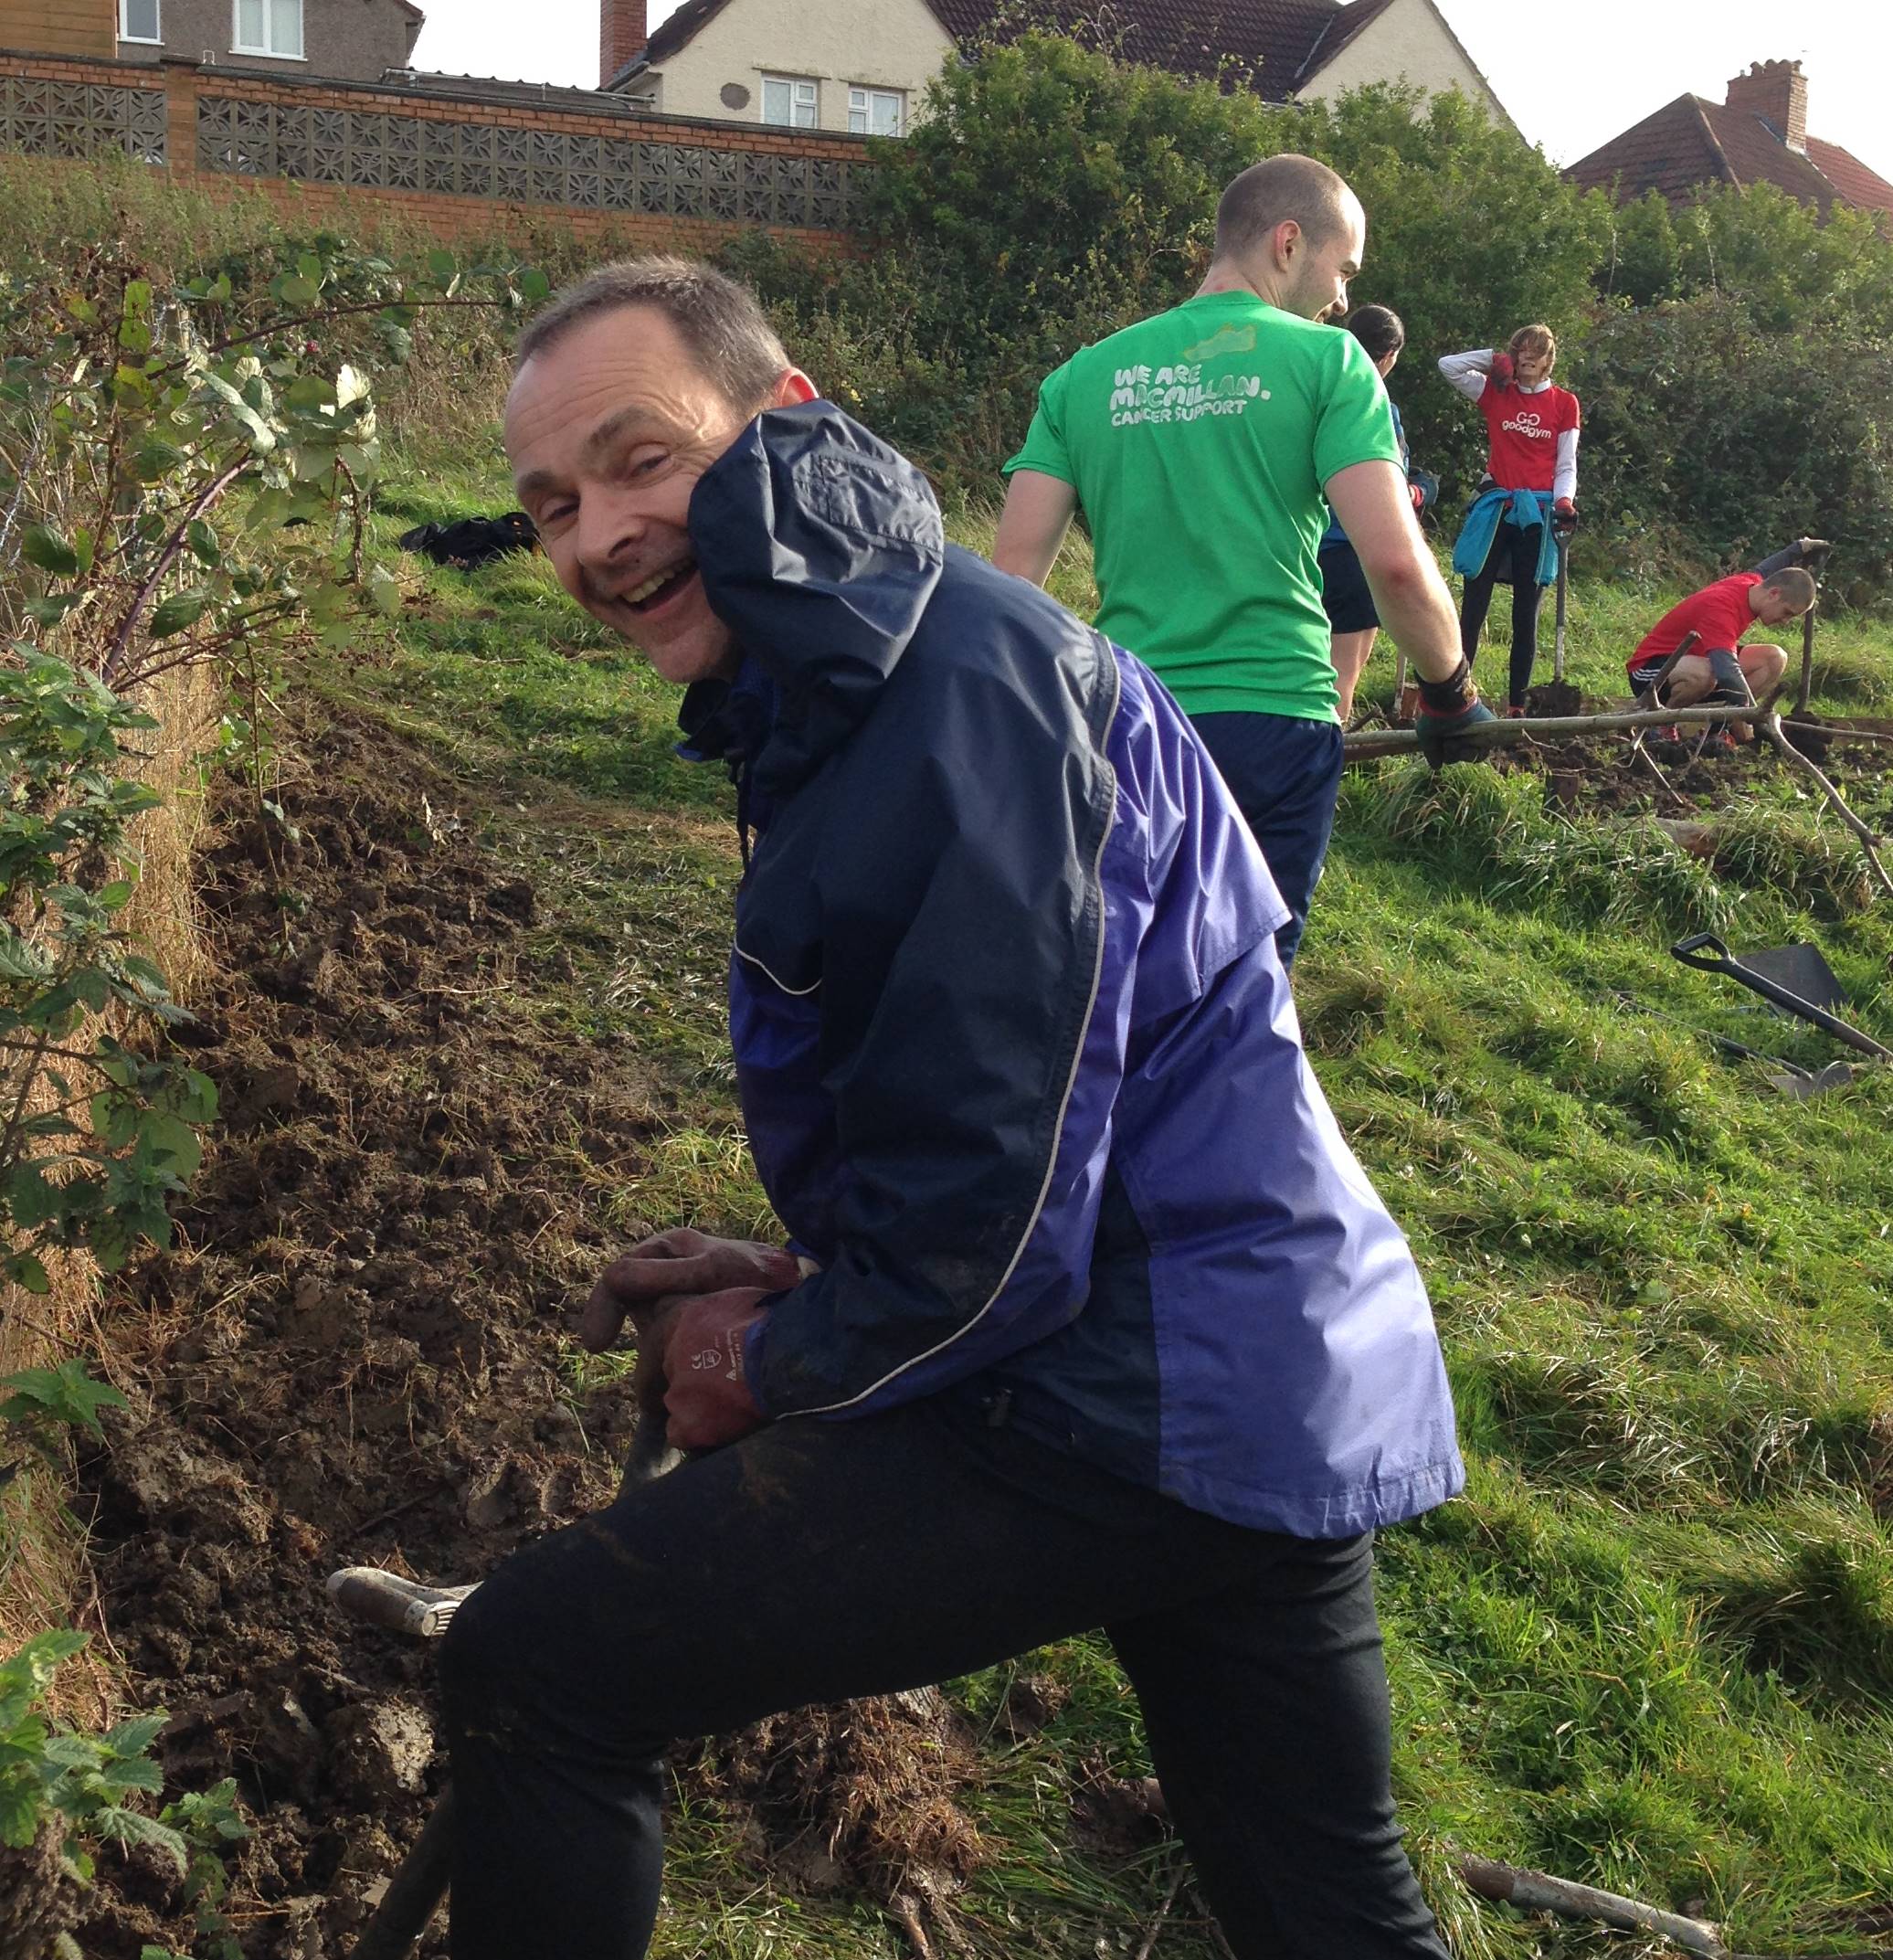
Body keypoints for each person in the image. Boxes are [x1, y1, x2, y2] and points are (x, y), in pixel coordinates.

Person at [440, 255, 1465, 1960]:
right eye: (548, 507)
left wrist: (764, 1359)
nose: (594, 539)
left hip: (1135, 1393)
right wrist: (808, 1280)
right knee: (1322, 1906)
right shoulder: (859, 666)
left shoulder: (957, 699)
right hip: (1259, 1353)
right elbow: (1006, 1104)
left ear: (784, 420)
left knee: (535, 1666)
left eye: (639, 461)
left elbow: (991, 1221)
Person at [992, 154, 1491, 968]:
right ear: (1289, 245)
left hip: (1128, 723)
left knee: (1123, 978)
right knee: (1237, 997)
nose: (1342, 300)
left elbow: (1012, 586)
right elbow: (1395, 566)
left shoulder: (1081, 377)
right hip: (1273, 722)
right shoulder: (1333, 364)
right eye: (1343, 270)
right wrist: (1449, 691)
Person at [1439, 324, 1581, 713]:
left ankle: (1517, 702)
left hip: (1538, 512)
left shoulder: (1564, 403)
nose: (1527, 356)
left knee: (1525, 610)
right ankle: (1458, 694)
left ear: (1549, 359)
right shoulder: (1496, 391)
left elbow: (1566, 464)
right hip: (1496, 507)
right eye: (1520, 349)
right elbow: (1448, 366)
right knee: (1474, 601)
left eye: (1537, 351)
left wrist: (1565, 501)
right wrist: (1491, 359)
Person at [1317, 304, 1433, 723]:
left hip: (1301, 549)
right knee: (1342, 677)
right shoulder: (1376, 405)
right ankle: (1328, 771)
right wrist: (1419, 489)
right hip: (1354, 551)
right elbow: (1389, 485)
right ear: (1388, 357)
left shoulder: (1315, 390)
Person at [1625, 539, 1824, 747]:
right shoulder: (1722, 609)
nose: (1785, 621)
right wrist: (1755, 716)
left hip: (1696, 659)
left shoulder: (1752, 583)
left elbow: (1769, 567)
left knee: (1774, 658)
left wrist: (1799, 548)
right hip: (1649, 672)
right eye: (1787, 613)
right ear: (1774, 594)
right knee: (1706, 674)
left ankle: (1718, 733)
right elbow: (1727, 671)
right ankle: (1660, 724)